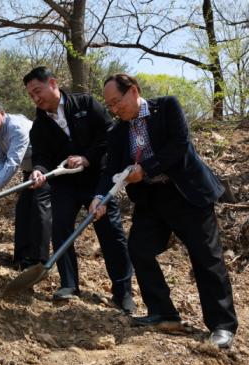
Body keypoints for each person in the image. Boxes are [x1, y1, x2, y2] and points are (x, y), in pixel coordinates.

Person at [91, 73, 238, 348]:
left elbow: (179, 146)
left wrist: (145, 169)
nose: (114, 109)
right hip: (151, 199)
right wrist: (99, 196)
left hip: (187, 194)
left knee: (206, 257)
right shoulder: (117, 131)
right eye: (109, 105)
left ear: (133, 91)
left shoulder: (167, 107)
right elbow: (110, 169)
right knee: (139, 248)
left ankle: (222, 325)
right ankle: (162, 311)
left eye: (117, 101)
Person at [23, 66, 135, 314]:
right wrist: (39, 170)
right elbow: (40, 156)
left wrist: (86, 158)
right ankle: (69, 284)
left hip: (98, 179)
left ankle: (123, 292)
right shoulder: (39, 126)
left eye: (38, 91)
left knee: (111, 231)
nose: (36, 98)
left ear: (52, 83)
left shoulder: (85, 103)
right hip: (64, 185)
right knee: (60, 227)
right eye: (31, 95)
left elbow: (108, 135)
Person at [0, 97, 51, 269]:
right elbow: (0, 160)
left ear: (2, 113)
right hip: (30, 171)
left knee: (39, 207)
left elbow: (13, 162)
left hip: (47, 167)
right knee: (23, 208)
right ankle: (21, 258)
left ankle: (38, 262)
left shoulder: (16, 127)